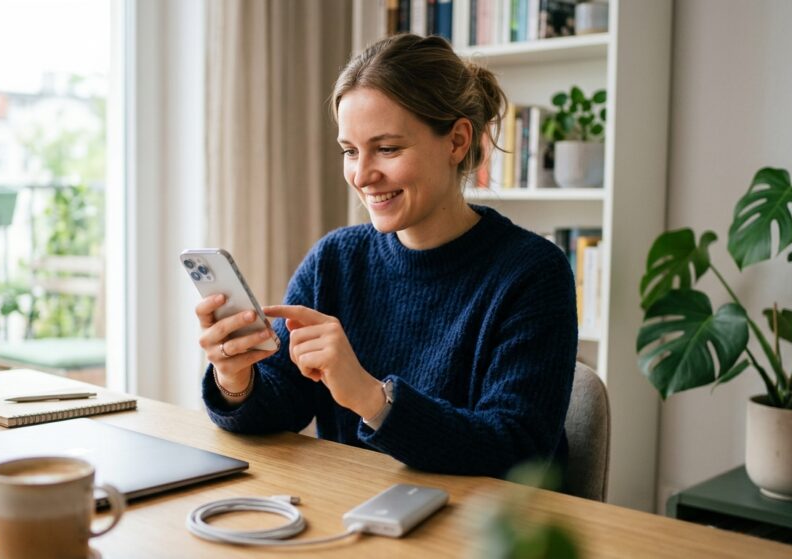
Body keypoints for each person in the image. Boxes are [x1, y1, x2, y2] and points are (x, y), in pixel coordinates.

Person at [193, 34, 577, 477]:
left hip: (478, 519)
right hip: (355, 507)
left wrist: (371, 399)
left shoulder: (533, 274)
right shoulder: (334, 261)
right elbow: (281, 406)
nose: (361, 175)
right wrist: (235, 379)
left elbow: (518, 451)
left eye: (387, 148)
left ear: (456, 141)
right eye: (350, 151)